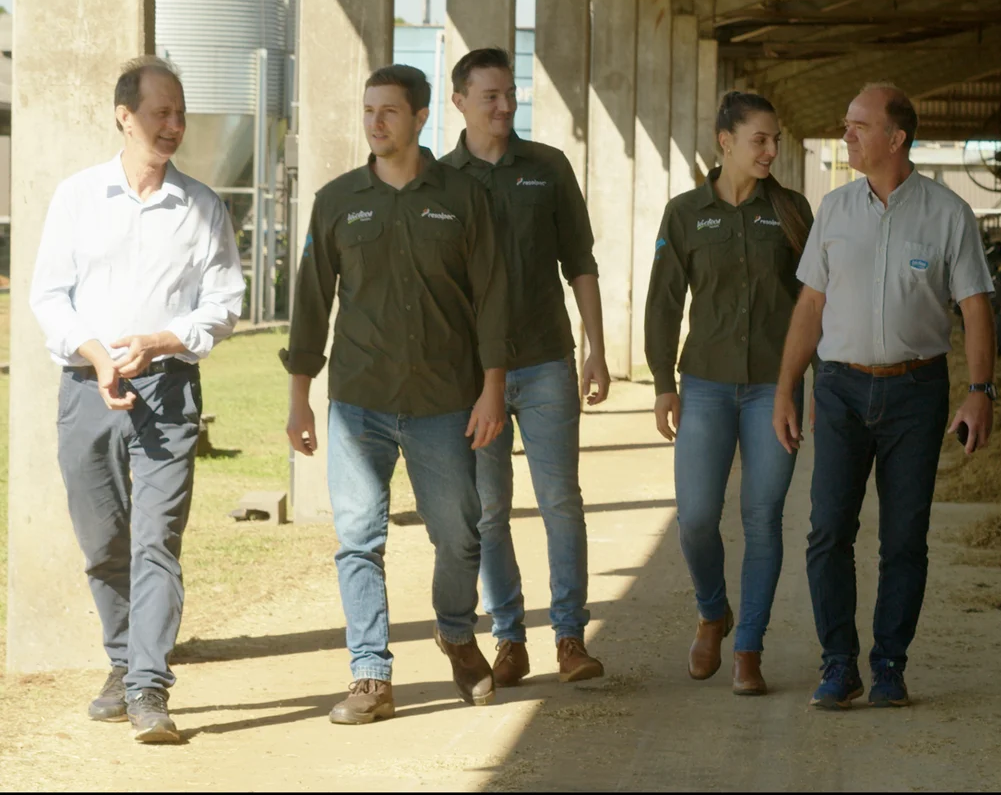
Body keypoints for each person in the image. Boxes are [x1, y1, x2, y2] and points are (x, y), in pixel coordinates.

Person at [281, 64, 509, 723]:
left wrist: (493, 388)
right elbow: (310, 304)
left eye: (388, 111)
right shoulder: (337, 201)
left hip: (445, 400)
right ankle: (370, 674)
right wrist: (299, 396)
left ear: (419, 118)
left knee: (461, 534)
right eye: (368, 110)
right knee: (357, 536)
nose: (375, 122)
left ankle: (457, 632)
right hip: (359, 399)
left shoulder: (465, 199)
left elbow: (493, 300)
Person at [30, 56, 246, 743]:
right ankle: (123, 660)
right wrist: (96, 354)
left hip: (169, 386)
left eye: (181, 113)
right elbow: (47, 296)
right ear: (125, 115)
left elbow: (224, 305)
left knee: (158, 539)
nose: (176, 126)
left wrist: (162, 339)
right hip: (86, 386)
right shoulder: (76, 197)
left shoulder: (203, 207)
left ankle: (150, 685)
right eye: (163, 113)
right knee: (102, 541)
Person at [772, 82, 996, 711]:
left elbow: (976, 309)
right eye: (847, 124)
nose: (847, 134)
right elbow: (810, 306)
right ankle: (838, 663)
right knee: (827, 531)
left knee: (904, 537)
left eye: (859, 125)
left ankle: (890, 665)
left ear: (896, 139)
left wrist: (981, 393)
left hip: (917, 391)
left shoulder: (948, 214)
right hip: (840, 389)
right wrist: (787, 387)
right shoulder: (834, 211)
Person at [441, 48, 608, 686]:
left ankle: (570, 637)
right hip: (470, 376)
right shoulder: (441, 179)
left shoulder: (547, 167)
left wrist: (594, 347)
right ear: (459, 102)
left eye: (510, 94)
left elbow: (580, 262)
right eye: (491, 96)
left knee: (560, 500)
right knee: (488, 508)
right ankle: (509, 638)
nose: (505, 106)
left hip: (545, 362)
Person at [645, 91, 814, 695]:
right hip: (708, 386)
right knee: (694, 518)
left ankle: (749, 648)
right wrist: (664, 383)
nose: (770, 150)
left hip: (776, 388)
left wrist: (803, 383)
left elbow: (813, 304)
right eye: (759, 140)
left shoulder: (792, 212)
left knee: (763, 517)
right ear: (726, 142)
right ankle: (713, 611)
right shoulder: (686, 213)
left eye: (773, 140)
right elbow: (664, 302)